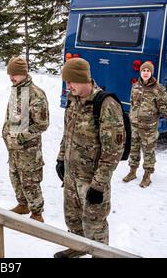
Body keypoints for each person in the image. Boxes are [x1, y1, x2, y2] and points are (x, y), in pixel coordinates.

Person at [55, 58, 125, 258]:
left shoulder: (105, 104)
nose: (68, 86)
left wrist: (99, 184)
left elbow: (114, 150)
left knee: (95, 223)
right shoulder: (72, 100)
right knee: (73, 218)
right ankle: (77, 246)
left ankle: (100, 255)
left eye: (71, 81)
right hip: (71, 176)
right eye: (66, 82)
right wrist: (61, 160)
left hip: (92, 180)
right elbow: (66, 134)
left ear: (83, 78)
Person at [123, 61, 167, 187]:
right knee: (134, 149)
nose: (145, 73)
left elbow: (164, 109)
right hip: (135, 125)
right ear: (140, 72)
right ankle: (132, 171)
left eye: (148, 71)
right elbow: (132, 104)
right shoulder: (135, 86)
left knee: (148, 151)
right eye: (143, 71)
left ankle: (147, 175)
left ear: (151, 72)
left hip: (149, 128)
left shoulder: (159, 89)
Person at [2, 57, 49, 222]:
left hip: (28, 150)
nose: (11, 77)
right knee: (15, 177)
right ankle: (22, 204)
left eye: (14, 74)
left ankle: (37, 214)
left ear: (23, 73)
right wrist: (6, 133)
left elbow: (42, 125)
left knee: (30, 182)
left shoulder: (36, 94)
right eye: (10, 74)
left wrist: (21, 137)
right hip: (13, 148)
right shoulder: (16, 90)